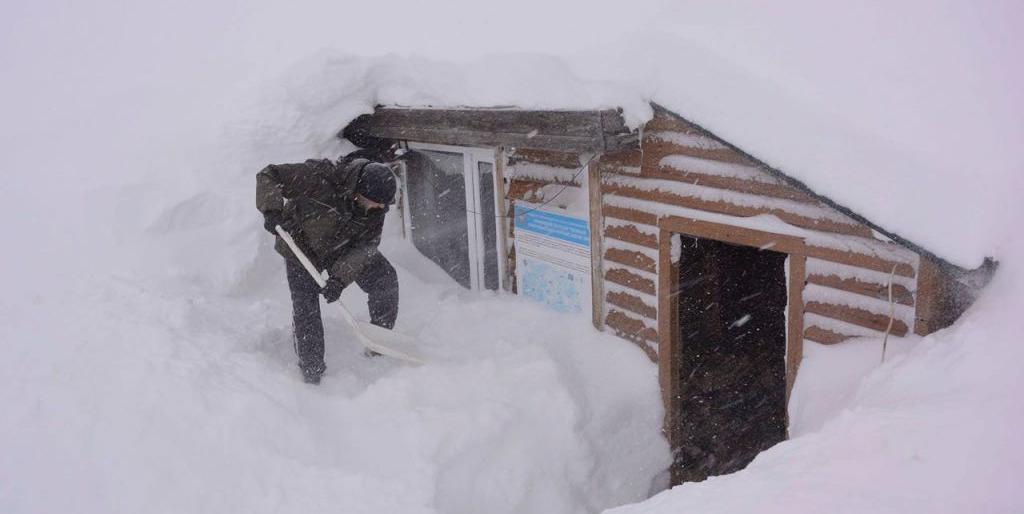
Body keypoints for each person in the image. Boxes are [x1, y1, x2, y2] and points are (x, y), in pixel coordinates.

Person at [256, 155, 399, 384]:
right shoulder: (318, 177)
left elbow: (366, 247)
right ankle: (312, 372)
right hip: (300, 246)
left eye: (384, 204)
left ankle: (379, 344)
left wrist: (339, 279)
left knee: (385, 279)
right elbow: (269, 174)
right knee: (306, 308)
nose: (381, 208)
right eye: (377, 202)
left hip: (342, 248)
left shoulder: (375, 210)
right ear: (358, 192)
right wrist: (272, 210)